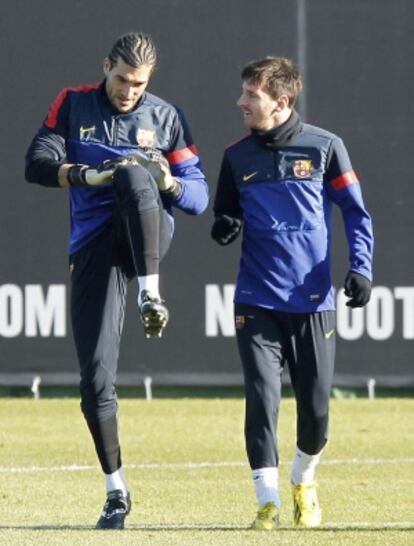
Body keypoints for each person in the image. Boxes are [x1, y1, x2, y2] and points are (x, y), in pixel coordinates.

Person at [25, 31, 208, 529]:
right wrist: (88, 175)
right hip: (93, 248)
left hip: (148, 234)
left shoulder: (166, 116)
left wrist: (166, 178)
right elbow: (36, 163)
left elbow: (198, 198)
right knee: (95, 379)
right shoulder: (74, 103)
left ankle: (152, 292)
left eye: (139, 83)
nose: (130, 91)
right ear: (106, 66)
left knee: (134, 175)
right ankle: (116, 491)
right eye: (123, 79)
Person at [211, 56, 373, 529]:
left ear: (280, 102)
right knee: (262, 397)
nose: (240, 102)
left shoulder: (325, 148)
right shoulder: (236, 155)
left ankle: (303, 480)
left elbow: (356, 214)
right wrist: (227, 225)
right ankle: (267, 501)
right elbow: (227, 211)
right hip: (255, 300)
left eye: (251, 95)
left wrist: (360, 268)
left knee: (317, 408)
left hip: (313, 301)